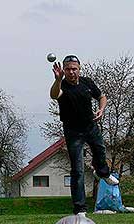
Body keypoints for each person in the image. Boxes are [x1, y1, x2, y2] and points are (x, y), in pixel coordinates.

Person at [50, 54, 119, 215]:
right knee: (77, 169)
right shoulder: (62, 86)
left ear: (79, 69)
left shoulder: (87, 83)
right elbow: (54, 95)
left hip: (90, 126)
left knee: (100, 150)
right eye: (68, 69)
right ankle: (80, 208)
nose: (71, 72)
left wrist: (101, 109)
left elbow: (102, 97)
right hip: (73, 131)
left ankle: (102, 173)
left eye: (74, 69)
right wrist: (58, 79)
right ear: (64, 71)